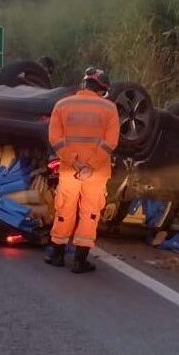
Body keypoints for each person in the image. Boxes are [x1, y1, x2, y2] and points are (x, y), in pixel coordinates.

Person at [44, 67, 119, 273]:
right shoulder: (109, 109)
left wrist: (75, 162)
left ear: (84, 84)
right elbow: (110, 143)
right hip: (96, 173)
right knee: (90, 213)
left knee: (64, 209)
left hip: (69, 170)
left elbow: (55, 140)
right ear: (103, 89)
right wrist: (90, 165)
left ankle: (57, 254)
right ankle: (80, 260)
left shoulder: (62, 105)